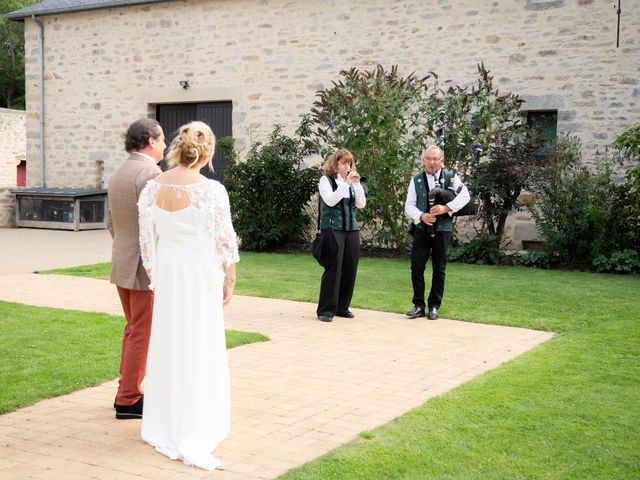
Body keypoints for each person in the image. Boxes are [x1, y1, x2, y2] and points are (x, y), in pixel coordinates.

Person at [137, 121, 239, 471]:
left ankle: (165, 419)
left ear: (177, 149)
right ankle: (196, 419)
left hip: (168, 273)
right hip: (198, 275)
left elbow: (147, 242)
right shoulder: (211, 191)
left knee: (168, 342)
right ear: (207, 153)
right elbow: (225, 240)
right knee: (199, 342)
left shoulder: (151, 189)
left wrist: (155, 274)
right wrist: (230, 278)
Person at [108, 118, 164, 419]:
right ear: (151, 141)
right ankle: (129, 398)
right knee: (141, 332)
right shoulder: (150, 174)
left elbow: (111, 223)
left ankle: (125, 390)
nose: (166, 146)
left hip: (122, 258)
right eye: (163, 140)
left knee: (133, 330)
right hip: (144, 266)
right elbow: (156, 225)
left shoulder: (119, 172)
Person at [404, 145, 470, 320]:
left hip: (442, 229)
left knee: (439, 268)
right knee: (417, 267)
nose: (431, 162)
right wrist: (421, 216)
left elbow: (465, 196)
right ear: (423, 160)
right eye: (428, 159)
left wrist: (446, 208)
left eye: (435, 159)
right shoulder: (416, 179)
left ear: (442, 161)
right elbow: (409, 204)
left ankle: (434, 306)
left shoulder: (451, 177)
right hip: (421, 229)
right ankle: (418, 305)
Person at [316, 149, 366, 322]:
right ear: (335, 164)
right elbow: (330, 200)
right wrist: (345, 183)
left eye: (349, 163)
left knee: (350, 268)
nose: (348, 166)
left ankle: (342, 307)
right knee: (333, 268)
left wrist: (357, 184)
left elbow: (361, 204)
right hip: (333, 229)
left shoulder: (351, 183)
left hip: (351, 230)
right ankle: (326, 309)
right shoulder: (326, 180)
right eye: (344, 162)